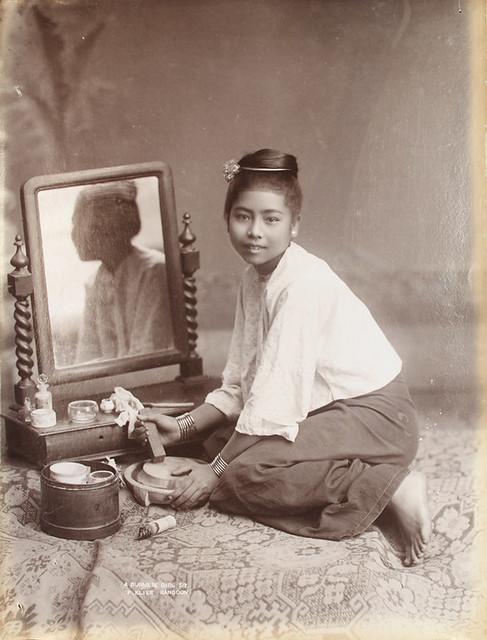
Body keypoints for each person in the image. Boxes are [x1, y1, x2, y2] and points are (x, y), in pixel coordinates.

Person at [139, 148, 431, 567]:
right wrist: (182, 428)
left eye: (271, 219)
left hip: (379, 420)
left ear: (295, 226)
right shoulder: (253, 279)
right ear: (227, 221)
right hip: (330, 411)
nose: (255, 231)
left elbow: (271, 406)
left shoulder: (302, 285)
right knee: (217, 440)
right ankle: (360, 478)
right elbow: (242, 386)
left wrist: (216, 471)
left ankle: (393, 486)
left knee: (240, 473)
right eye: (243, 216)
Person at [71, 180, 173, 362]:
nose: (74, 235)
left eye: (79, 224)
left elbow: (146, 354)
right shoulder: (94, 283)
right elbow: (85, 358)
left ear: (106, 228)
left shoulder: (153, 270)